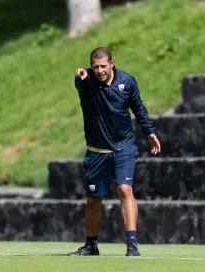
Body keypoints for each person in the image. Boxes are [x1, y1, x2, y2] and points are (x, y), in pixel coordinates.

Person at [68, 47, 161, 257]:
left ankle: (132, 244)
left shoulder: (127, 82)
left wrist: (150, 132)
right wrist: (81, 76)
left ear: (112, 63)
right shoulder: (87, 80)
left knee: (124, 189)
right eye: (95, 67)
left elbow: (138, 108)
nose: (99, 70)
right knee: (93, 199)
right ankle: (91, 245)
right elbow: (80, 81)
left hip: (123, 147)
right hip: (96, 150)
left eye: (103, 66)